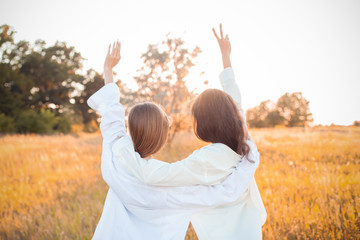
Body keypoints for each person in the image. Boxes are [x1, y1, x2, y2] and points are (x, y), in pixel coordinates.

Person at [87, 39, 260, 240]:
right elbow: (237, 109)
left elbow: (112, 122)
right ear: (162, 136)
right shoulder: (242, 150)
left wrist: (108, 70)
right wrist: (226, 59)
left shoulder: (116, 161)